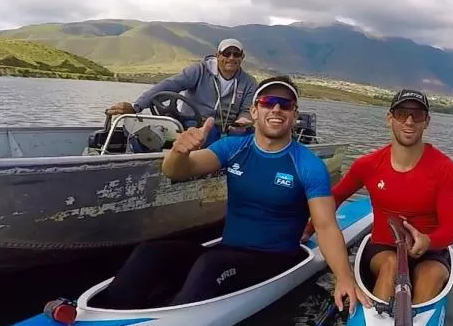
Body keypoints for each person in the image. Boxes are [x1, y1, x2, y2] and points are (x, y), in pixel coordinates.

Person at [102, 75, 370, 313]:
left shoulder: (308, 165)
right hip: (227, 251)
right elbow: (176, 172)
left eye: (285, 104)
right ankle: (107, 313)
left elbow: (325, 227)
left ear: (294, 114)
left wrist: (344, 278)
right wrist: (179, 151)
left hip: (274, 259)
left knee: (210, 266)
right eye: (268, 101)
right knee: (151, 252)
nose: (276, 109)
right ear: (254, 110)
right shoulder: (233, 148)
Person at [303, 89, 453, 304]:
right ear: (389, 119)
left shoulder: (446, 170)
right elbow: (334, 198)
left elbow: (450, 230)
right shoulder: (368, 165)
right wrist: (306, 231)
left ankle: (416, 324)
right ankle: (377, 322)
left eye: (417, 115)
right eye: (401, 113)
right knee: (391, 265)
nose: (409, 121)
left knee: (430, 275)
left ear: (426, 122)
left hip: (430, 250)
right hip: (383, 248)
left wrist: (428, 241)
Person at [106, 38, 258, 144]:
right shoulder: (198, 70)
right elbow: (168, 86)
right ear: (218, 55)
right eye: (226, 53)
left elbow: (247, 111)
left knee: (249, 136)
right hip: (193, 122)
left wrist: (241, 123)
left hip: (227, 128)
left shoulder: (249, 82)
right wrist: (136, 106)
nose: (231, 58)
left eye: (236, 54)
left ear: (242, 57)